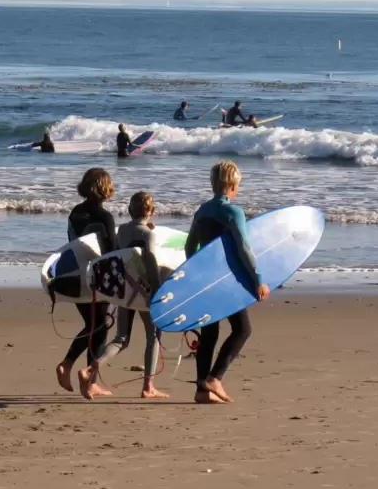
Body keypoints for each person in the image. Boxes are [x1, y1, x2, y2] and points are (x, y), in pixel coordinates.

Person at [184, 160, 269, 404]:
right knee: (243, 329)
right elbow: (244, 248)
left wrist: (196, 273)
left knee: (209, 333)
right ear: (233, 185)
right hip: (226, 279)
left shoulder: (202, 211)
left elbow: (190, 246)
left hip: (204, 278)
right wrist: (258, 281)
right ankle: (215, 378)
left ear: (213, 184)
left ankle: (201, 391)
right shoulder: (234, 212)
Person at [79, 191, 167, 400]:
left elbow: (123, 256)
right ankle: (148, 387)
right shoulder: (150, 235)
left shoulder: (123, 231)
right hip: (145, 293)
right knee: (153, 336)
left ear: (129, 210)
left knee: (121, 339)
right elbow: (151, 263)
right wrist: (158, 291)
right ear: (152, 212)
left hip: (125, 291)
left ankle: (90, 369)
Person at [55, 168, 118, 397]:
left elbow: (74, 244)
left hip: (74, 276)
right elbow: (113, 251)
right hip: (98, 279)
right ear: (104, 188)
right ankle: (74, 367)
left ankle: (83, 376)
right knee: (100, 326)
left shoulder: (75, 213)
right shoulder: (105, 217)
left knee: (94, 326)